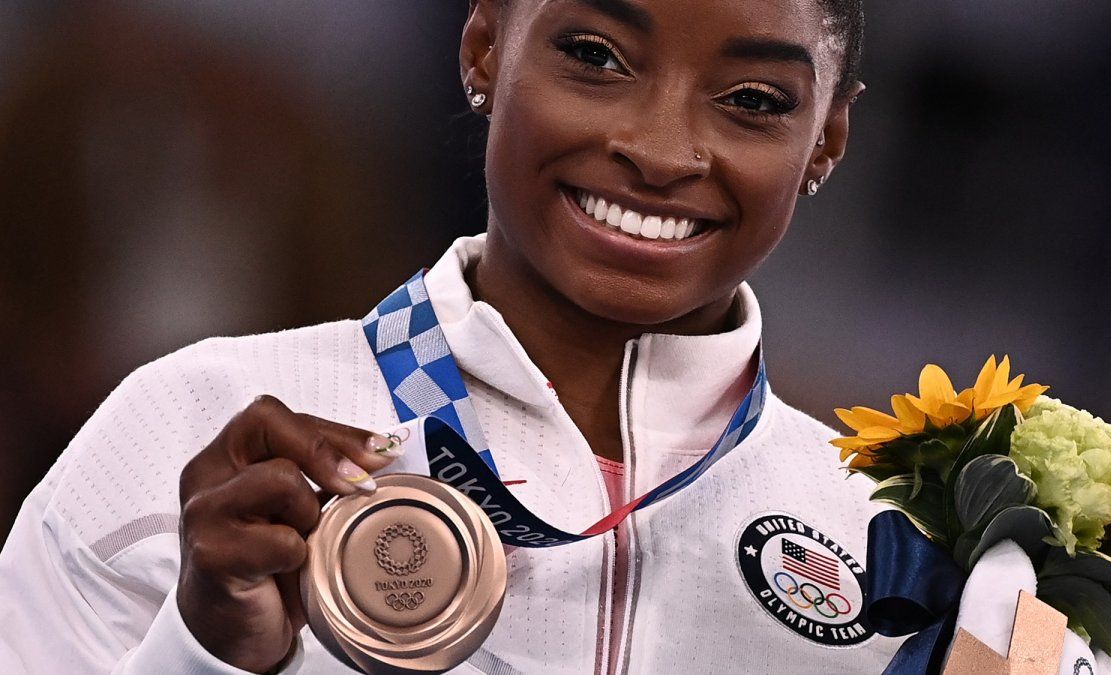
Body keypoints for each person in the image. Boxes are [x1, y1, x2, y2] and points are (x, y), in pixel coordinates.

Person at [0, 0, 897, 672]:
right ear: (484, 48)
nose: (661, 151)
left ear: (827, 139)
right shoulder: (179, 429)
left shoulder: (903, 549)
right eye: (596, 55)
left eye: (751, 99)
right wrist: (206, 657)